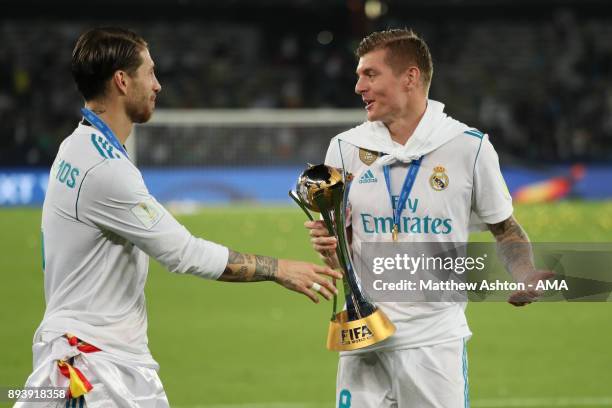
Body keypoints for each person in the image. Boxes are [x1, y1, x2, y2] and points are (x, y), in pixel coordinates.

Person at [15, 27, 341, 408]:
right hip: (94, 369)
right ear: (122, 81)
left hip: (82, 354)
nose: (157, 85)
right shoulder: (103, 167)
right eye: (149, 72)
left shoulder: (76, 147)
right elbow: (183, 252)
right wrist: (278, 268)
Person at [305, 29, 552, 408]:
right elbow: (342, 247)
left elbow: (505, 228)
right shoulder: (345, 148)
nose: (358, 87)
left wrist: (525, 273)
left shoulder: (469, 147)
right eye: (359, 75)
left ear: (410, 77)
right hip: (362, 337)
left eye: (370, 74)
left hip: (433, 343)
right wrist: (329, 246)